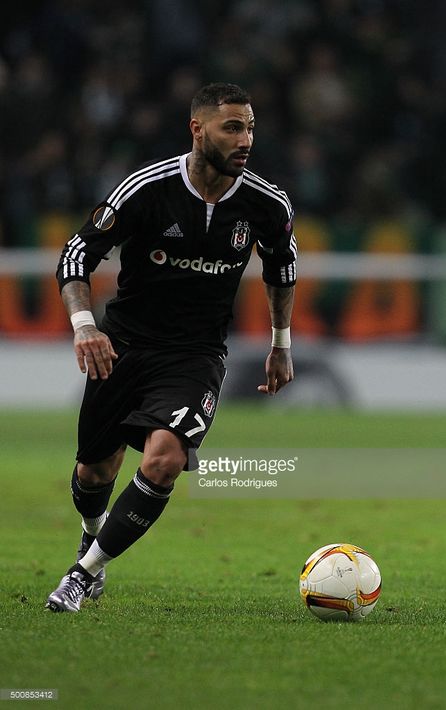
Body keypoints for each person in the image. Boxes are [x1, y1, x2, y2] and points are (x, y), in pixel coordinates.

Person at [45, 82, 297, 613]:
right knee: (94, 471)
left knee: (164, 459)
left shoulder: (266, 204)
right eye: (233, 127)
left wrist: (280, 342)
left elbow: (281, 269)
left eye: (250, 127)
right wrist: (85, 325)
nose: (245, 139)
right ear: (197, 129)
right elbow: (77, 252)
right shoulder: (147, 189)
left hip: (195, 357)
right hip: (122, 347)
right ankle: (93, 535)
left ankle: (82, 575)